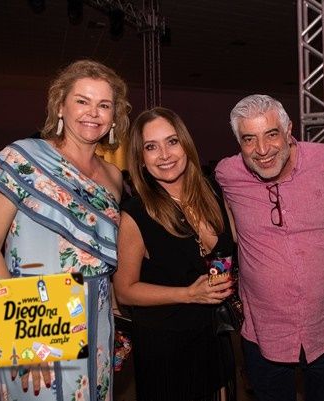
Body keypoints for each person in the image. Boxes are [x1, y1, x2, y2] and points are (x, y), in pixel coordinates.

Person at [0, 59, 131, 400]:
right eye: (82, 101)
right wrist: (21, 339)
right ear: (60, 106)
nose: (93, 113)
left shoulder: (114, 177)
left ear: (114, 116)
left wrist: (116, 315)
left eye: (104, 105)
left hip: (98, 319)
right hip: (33, 318)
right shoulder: (23, 158)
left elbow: (103, 254)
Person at [215, 94, 324, 401]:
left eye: (271, 134)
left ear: (289, 131)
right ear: (239, 142)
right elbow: (234, 233)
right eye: (249, 139)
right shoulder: (228, 174)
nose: (262, 150)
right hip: (265, 333)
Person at [113, 107, 236, 401]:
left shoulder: (213, 194)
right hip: (166, 346)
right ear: (140, 159)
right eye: (151, 147)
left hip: (214, 335)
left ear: (186, 145)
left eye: (172, 141)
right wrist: (189, 294)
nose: (165, 155)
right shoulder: (135, 214)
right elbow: (125, 291)